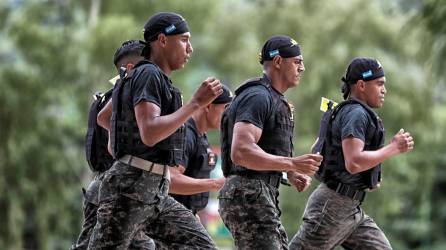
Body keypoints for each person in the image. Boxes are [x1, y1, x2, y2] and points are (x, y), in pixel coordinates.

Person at [88, 12, 221, 249]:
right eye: (184, 40)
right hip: (129, 192)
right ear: (162, 40)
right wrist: (195, 104)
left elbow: (104, 117)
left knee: (200, 245)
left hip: (155, 191)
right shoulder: (148, 74)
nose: (189, 49)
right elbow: (149, 132)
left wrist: (119, 144)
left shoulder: (152, 77)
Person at [288, 57, 414, 250]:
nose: (384, 90)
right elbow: (354, 162)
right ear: (362, 85)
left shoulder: (349, 112)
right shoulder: (356, 114)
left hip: (351, 209)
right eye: (379, 84)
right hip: (331, 208)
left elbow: (318, 148)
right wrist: (394, 148)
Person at [218, 35, 323, 250]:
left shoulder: (273, 98)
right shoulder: (258, 96)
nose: (302, 68)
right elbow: (241, 152)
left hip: (258, 192)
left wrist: (289, 173)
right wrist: (292, 163)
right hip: (248, 193)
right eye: (297, 62)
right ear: (277, 62)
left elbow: (263, 149)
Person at [71, 40, 154, 250]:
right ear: (132, 68)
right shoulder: (125, 100)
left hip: (100, 187)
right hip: (121, 188)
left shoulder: (106, 97)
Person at [171, 84, 232, 215]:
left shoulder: (201, 135)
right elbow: (171, 180)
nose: (229, 116)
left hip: (186, 214)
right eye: (225, 109)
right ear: (208, 106)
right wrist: (215, 184)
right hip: (168, 217)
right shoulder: (186, 135)